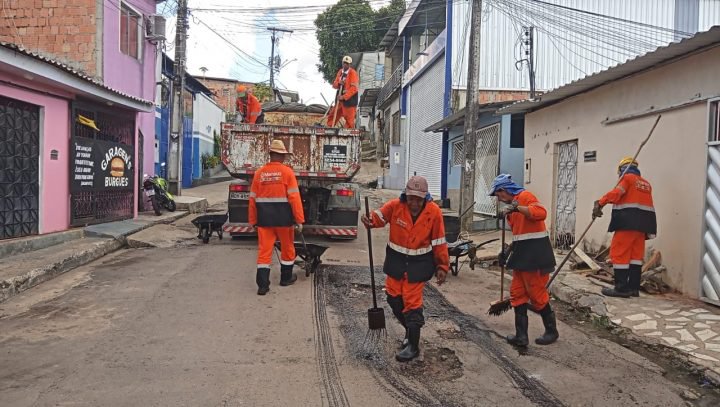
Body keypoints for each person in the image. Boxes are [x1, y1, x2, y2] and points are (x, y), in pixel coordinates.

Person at [361, 176, 449, 362]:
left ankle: (413, 345)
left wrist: (442, 265)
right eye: (411, 198)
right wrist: (370, 220)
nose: (414, 203)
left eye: (418, 199)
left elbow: (439, 241)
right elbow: (379, 217)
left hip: (419, 265)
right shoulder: (395, 206)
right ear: (405, 195)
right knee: (393, 298)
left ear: (425, 197)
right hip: (396, 262)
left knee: (412, 303)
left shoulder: (434, 212)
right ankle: (410, 330)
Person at [490, 174, 559, 347]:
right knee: (517, 293)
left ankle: (552, 331)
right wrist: (508, 250)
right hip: (522, 255)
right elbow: (520, 234)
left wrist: (517, 207)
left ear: (503, 190)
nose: (498, 199)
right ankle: (521, 336)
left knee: (536, 294)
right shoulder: (510, 212)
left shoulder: (525, 197)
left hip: (536, 255)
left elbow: (540, 213)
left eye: (497, 195)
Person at [593, 157, 656, 298]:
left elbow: (616, 194)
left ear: (622, 169)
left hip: (627, 223)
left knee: (619, 254)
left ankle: (621, 289)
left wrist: (600, 202)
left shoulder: (627, 179)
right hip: (642, 226)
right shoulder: (646, 184)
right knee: (635, 257)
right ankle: (633, 289)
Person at [248, 140, 305, 295]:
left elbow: (252, 200)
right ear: (282, 156)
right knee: (287, 249)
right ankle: (286, 278)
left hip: (264, 220)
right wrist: (299, 220)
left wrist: (252, 221)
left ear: (271, 155)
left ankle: (263, 286)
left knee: (264, 251)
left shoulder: (259, 173)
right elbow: (294, 199)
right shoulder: (287, 173)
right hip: (284, 220)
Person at [327, 55, 359, 129]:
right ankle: (329, 128)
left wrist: (344, 97)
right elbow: (334, 85)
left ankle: (348, 134)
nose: (345, 64)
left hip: (349, 100)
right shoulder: (340, 72)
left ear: (350, 64)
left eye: (347, 63)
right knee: (333, 114)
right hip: (340, 99)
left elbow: (354, 89)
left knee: (349, 119)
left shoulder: (353, 73)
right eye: (344, 63)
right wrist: (339, 83)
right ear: (342, 63)